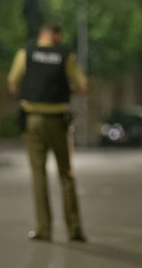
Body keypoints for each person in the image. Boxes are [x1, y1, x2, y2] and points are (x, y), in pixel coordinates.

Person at [8, 24, 88, 242]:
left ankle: (43, 229)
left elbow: (13, 83)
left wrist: (27, 94)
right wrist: (66, 92)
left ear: (41, 35)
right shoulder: (65, 55)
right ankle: (74, 229)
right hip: (57, 121)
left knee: (38, 174)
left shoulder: (26, 52)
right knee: (66, 174)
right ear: (56, 36)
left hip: (32, 119)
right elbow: (84, 85)